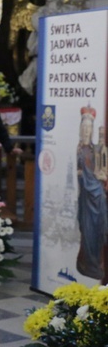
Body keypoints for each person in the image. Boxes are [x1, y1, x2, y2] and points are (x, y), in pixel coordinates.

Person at [75, 105, 108, 280]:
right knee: (87, 232)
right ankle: (87, 263)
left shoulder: (97, 149)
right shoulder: (80, 149)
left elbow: (102, 171)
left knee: (98, 231)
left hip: (98, 198)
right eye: (84, 127)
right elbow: (81, 176)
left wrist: (101, 178)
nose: (86, 131)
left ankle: (98, 264)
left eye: (89, 128)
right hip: (86, 200)